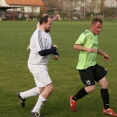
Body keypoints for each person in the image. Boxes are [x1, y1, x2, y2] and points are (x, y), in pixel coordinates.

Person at [70, 18, 117, 116]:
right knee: (91, 87)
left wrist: (104, 54)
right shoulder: (85, 34)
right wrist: (87, 49)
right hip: (84, 66)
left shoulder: (95, 36)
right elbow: (75, 46)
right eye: (98, 27)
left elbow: (95, 48)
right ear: (92, 25)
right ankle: (73, 99)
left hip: (93, 65)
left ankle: (106, 109)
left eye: (101, 28)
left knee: (104, 83)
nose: (99, 29)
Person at [17, 15, 59, 117]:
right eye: (50, 24)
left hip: (41, 65)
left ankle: (22, 95)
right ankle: (35, 112)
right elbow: (41, 52)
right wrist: (53, 49)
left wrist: (55, 53)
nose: (51, 26)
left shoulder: (46, 33)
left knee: (41, 90)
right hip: (36, 65)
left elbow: (48, 47)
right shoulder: (38, 34)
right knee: (49, 88)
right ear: (44, 23)